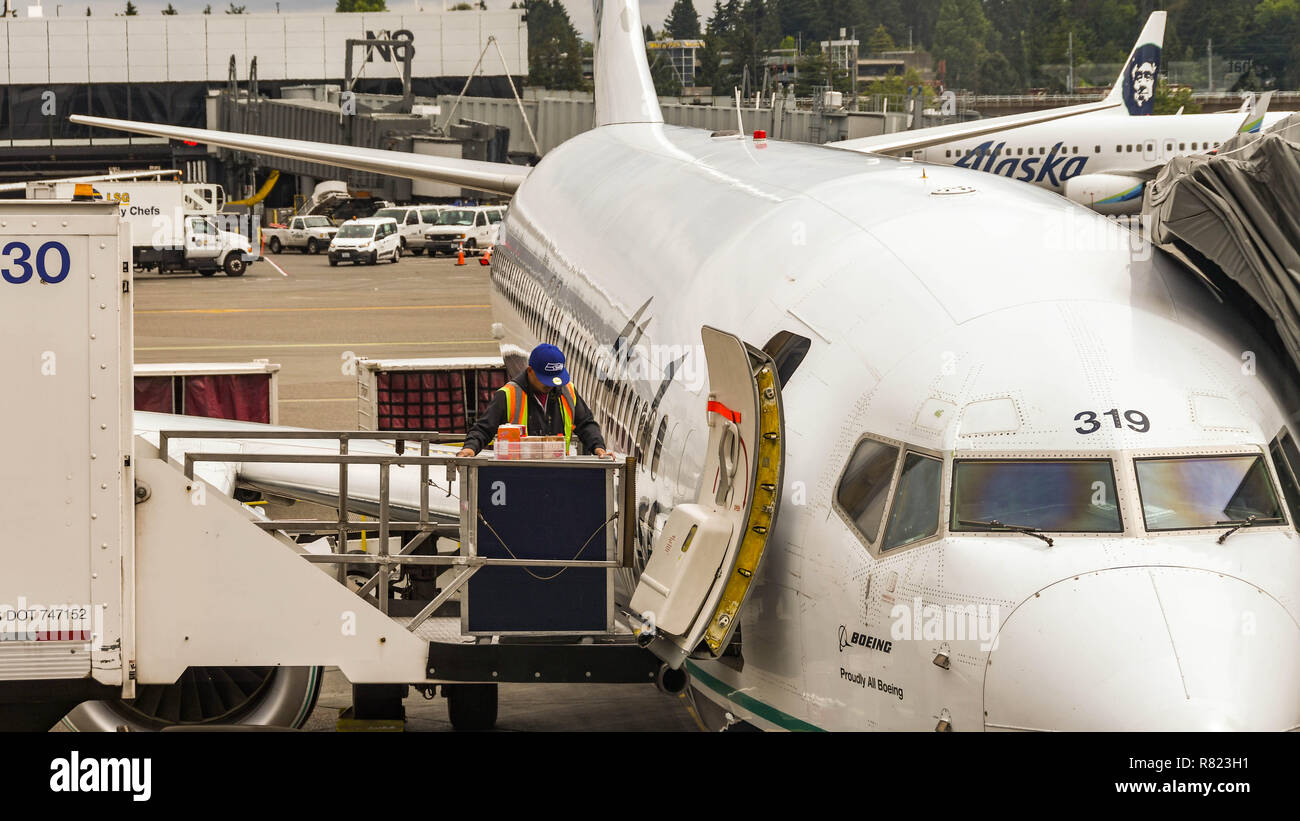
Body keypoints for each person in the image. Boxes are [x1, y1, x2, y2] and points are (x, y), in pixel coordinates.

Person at [458, 343, 613, 458]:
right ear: (530, 371)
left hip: (559, 472)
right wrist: (470, 448)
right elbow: (484, 429)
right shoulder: (508, 395)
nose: (550, 385)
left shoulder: (568, 391)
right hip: (520, 474)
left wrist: (599, 447)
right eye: (546, 380)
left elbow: (586, 423)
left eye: (554, 380)